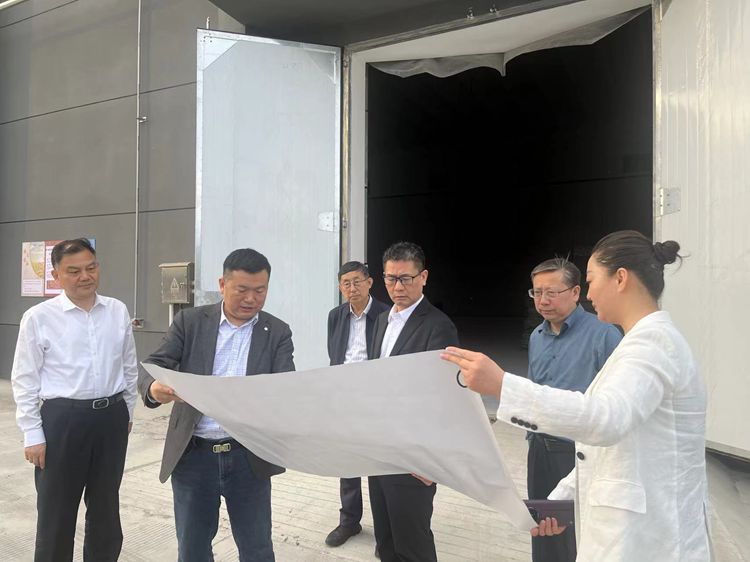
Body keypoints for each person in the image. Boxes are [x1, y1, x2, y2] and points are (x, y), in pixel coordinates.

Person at [442, 231, 711, 561]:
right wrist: (561, 500)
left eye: (592, 279)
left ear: (621, 279)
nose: (589, 293)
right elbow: (607, 446)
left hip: (655, 540)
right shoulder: (639, 342)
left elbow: (604, 419)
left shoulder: (652, 345)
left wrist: (502, 386)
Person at [138, 248, 294, 562]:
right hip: (194, 456)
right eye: (242, 290)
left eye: (260, 291)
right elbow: (153, 365)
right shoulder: (191, 321)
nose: (251, 299)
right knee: (193, 549)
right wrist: (154, 389)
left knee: (257, 548)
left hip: (248, 456)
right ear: (222, 285)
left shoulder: (276, 331)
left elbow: (285, 385)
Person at [11, 238, 138, 562]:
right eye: (74, 271)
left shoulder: (117, 311)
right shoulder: (39, 317)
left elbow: (128, 366)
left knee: (106, 509)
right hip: (62, 421)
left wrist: (127, 413)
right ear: (56, 276)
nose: (85, 276)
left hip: (110, 418)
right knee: (56, 513)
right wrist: (32, 433)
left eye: (91, 268)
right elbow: (25, 378)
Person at [525, 257, 622, 562]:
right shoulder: (536, 337)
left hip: (578, 454)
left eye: (552, 292)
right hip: (539, 449)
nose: (543, 300)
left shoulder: (604, 334)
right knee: (542, 529)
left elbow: (615, 404)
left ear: (576, 292)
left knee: (577, 537)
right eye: (537, 292)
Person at [369, 241, 459, 562]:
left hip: (413, 458)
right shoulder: (382, 321)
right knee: (386, 540)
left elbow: (446, 399)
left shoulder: (438, 326)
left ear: (423, 277)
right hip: (380, 451)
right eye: (391, 278)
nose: (397, 287)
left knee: (413, 545)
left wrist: (432, 459)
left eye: (405, 279)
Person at [325, 261, 389, 548]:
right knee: (347, 460)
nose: (352, 288)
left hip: (376, 399)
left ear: (369, 282)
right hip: (345, 397)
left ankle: (385, 530)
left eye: (357, 281)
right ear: (340, 287)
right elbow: (334, 354)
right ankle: (349, 521)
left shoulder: (386, 315)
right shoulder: (335, 316)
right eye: (346, 283)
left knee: (378, 464)